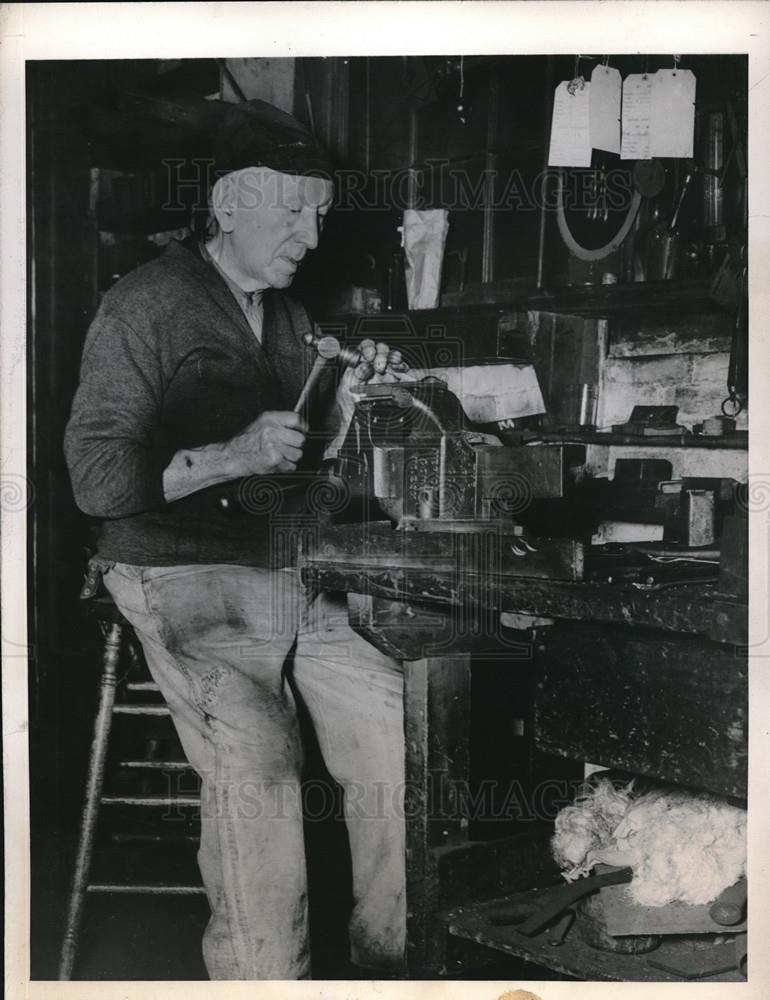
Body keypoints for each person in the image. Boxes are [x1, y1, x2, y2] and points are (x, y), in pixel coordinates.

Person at [64, 100, 407, 980]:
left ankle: (394, 959)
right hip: (175, 571)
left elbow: (297, 457)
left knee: (395, 720)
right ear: (228, 203)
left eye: (321, 213)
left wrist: (350, 406)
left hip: (281, 568)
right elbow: (96, 479)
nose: (311, 230)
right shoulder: (144, 303)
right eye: (293, 208)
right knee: (259, 758)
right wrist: (228, 455)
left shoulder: (286, 316)